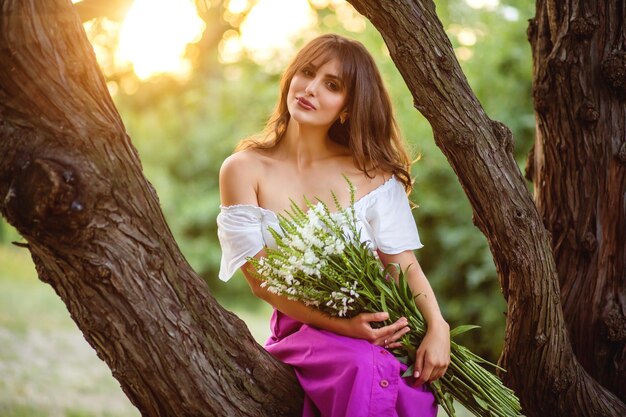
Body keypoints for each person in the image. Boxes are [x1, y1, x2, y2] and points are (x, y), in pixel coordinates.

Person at [217, 33, 450, 417]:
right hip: (302, 328)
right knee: (362, 366)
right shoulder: (244, 169)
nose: (310, 89)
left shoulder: (373, 175)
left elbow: (402, 264)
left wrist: (438, 328)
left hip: (376, 322)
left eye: (332, 85)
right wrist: (344, 327)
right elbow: (260, 281)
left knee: (403, 381)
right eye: (307, 72)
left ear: (347, 107)